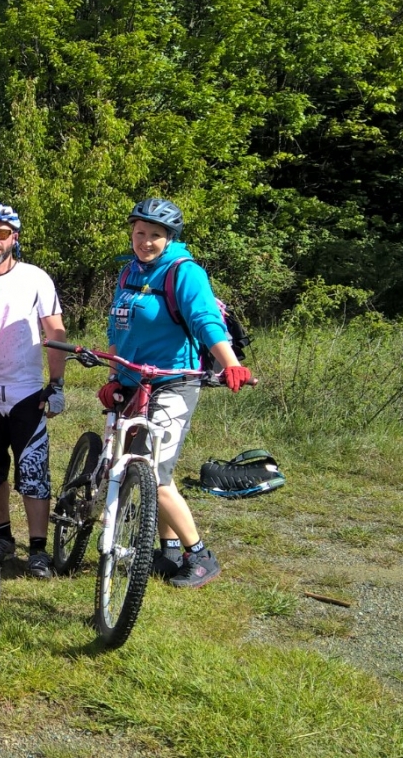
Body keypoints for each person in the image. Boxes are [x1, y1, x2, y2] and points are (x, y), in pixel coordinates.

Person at [102, 198, 252, 588]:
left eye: (155, 235)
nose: (145, 241)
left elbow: (205, 320)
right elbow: (118, 328)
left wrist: (230, 363)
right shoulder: (129, 272)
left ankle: (199, 555)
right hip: (134, 380)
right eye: (139, 233)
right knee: (137, 466)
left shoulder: (184, 272)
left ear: (170, 238)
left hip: (174, 381)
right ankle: (168, 550)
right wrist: (115, 377)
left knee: (153, 470)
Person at [0, 203, 68, 578]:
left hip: (26, 391)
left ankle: (37, 549)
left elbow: (55, 332)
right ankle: (3, 537)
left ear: (15, 238)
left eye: (2, 233)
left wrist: (56, 384)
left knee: (33, 470)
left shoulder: (35, 278)